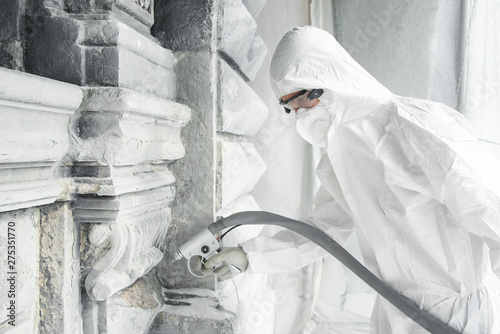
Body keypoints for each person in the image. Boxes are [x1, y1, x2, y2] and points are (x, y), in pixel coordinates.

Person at [201, 26, 500, 333]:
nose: (298, 114)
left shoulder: (413, 127)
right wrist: (250, 256)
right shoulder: (340, 155)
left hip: (458, 315)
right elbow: (323, 231)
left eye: (299, 101)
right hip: (395, 310)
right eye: (289, 108)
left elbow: (488, 207)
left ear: (323, 82)